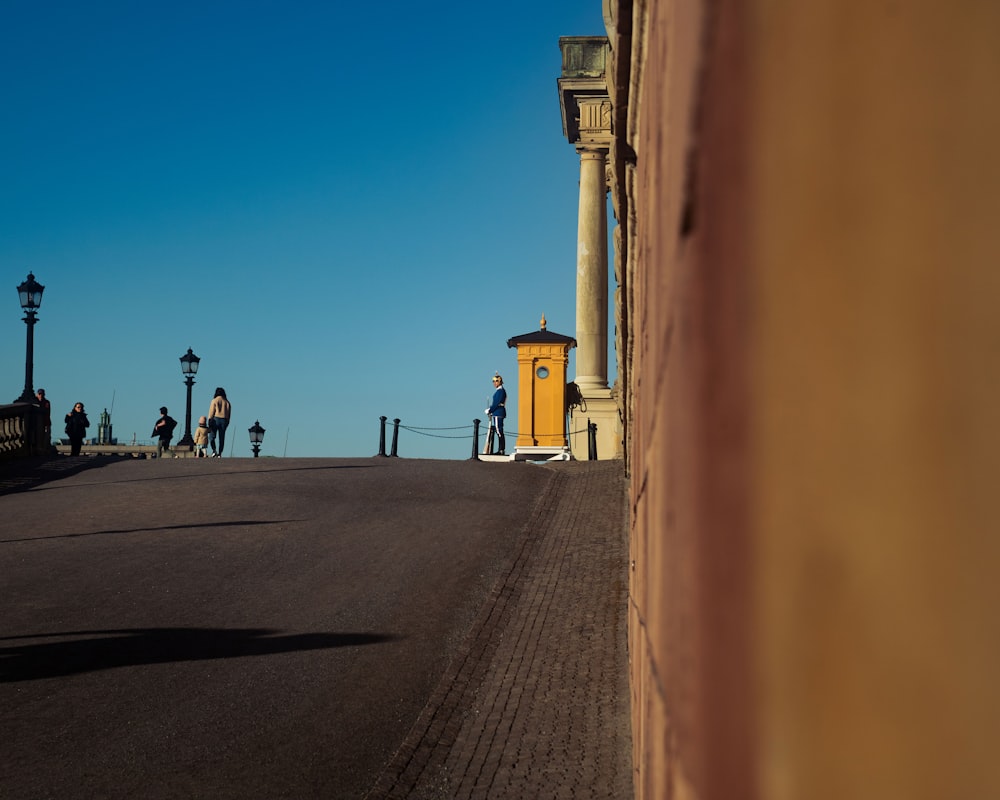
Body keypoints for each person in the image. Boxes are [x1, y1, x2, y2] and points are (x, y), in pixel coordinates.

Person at [485, 373, 507, 456]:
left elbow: (496, 403)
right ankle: (501, 449)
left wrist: (490, 410)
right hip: (497, 412)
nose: (495, 383)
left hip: (498, 412)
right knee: (498, 431)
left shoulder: (500, 391)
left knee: (499, 431)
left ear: (500, 382)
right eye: (493, 381)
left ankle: (501, 449)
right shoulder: (499, 391)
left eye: (496, 381)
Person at [208, 387, 232, 458]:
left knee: (212, 436)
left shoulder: (214, 400)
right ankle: (220, 453)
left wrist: (210, 419)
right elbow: (229, 414)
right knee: (221, 438)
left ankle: (214, 450)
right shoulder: (227, 402)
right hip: (224, 420)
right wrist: (227, 422)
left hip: (215, 419)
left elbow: (211, 411)